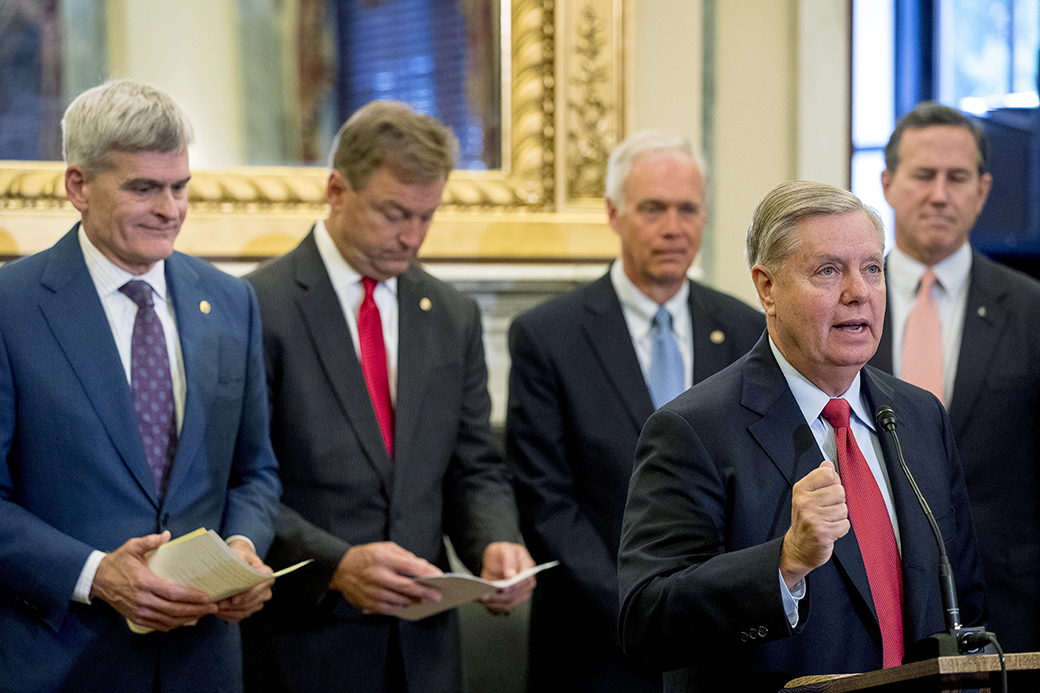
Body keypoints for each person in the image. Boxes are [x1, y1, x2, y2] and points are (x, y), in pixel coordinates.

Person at [617, 180, 987, 692]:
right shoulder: (693, 431)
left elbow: (963, 599)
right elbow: (647, 624)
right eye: (828, 271)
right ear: (767, 288)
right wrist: (786, 561)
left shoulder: (919, 416)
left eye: (873, 269)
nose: (858, 291)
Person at [240, 100, 535, 693]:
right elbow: (239, 477)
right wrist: (336, 565)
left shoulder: (451, 315)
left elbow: (473, 465)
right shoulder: (257, 306)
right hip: (303, 646)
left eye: (427, 216)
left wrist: (497, 540)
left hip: (423, 652)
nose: (412, 237)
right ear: (336, 190)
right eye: (394, 213)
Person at [0, 79, 281, 693]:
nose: (170, 209)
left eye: (180, 186)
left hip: (202, 665)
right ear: (78, 186)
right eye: (143, 188)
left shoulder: (232, 302)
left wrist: (241, 549)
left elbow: (255, 472)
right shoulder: (9, 309)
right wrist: (96, 574)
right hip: (61, 663)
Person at [505, 130, 763, 692]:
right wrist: (643, 611)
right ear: (614, 214)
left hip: (724, 648)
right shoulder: (548, 336)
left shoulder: (748, 330)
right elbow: (546, 502)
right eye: (653, 209)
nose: (674, 227)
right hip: (594, 647)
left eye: (688, 209)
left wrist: (718, 606)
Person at [867, 101, 1040, 654]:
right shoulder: (847, 307)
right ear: (889, 184)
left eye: (957, 178)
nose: (939, 194)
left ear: (982, 190)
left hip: (1010, 607)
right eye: (923, 175)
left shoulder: (1031, 309)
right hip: (875, 605)